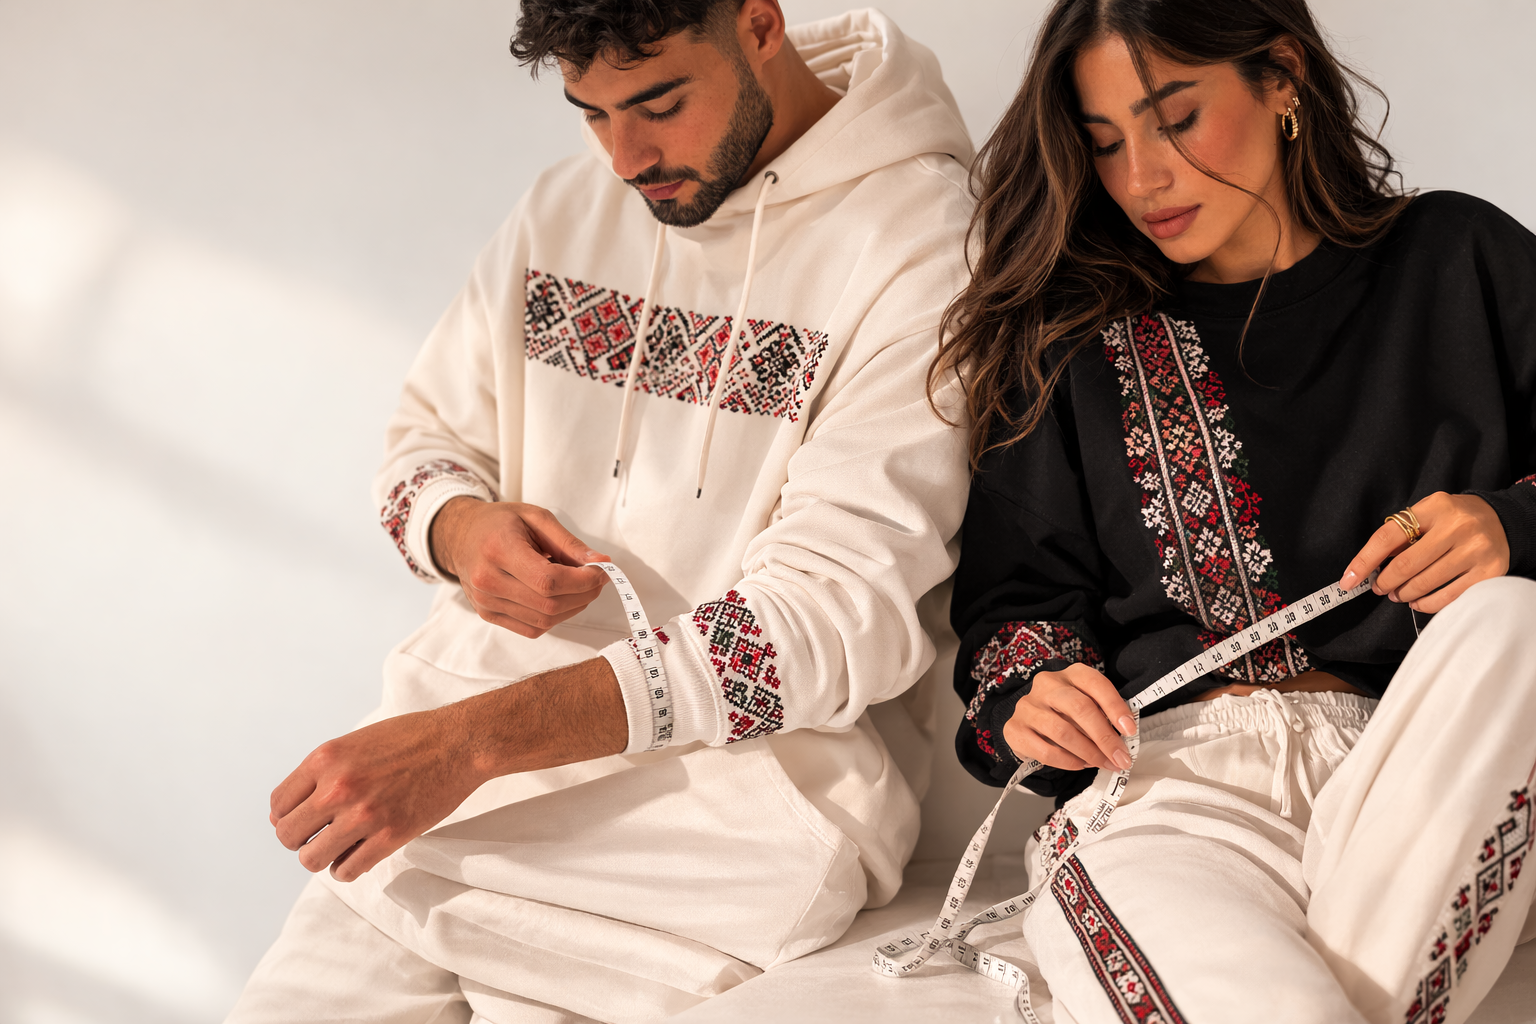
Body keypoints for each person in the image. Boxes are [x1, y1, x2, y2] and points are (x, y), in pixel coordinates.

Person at [226, 3, 975, 1022]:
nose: (627, 157)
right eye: (591, 113)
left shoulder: (920, 247)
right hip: (446, 810)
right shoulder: (567, 210)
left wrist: (467, 744)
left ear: (759, 24)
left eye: (659, 103)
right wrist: (463, 530)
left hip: (723, 837)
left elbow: (829, 621)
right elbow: (424, 443)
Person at [941, 1, 1536, 1022]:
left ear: (1282, 78)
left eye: (1175, 117)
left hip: (1439, 766)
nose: (1141, 178)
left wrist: (1516, 528)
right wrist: (1031, 695)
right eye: (1105, 143)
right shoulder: (1072, 340)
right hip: (1176, 791)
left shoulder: (1458, 258)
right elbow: (1013, 610)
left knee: (1515, 621)